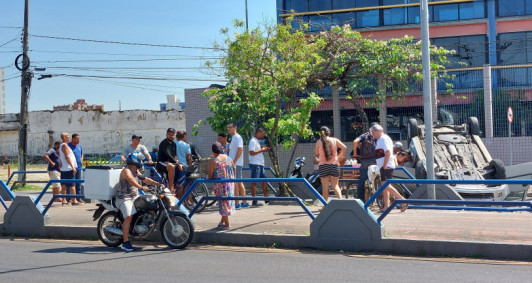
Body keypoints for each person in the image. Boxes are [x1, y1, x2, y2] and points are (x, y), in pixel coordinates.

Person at [116, 153, 159, 252]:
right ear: (135, 161)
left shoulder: (136, 170)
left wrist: (157, 183)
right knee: (129, 216)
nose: (141, 162)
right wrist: (141, 187)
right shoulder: (126, 170)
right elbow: (131, 180)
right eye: (140, 160)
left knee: (150, 205)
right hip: (124, 198)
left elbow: (144, 179)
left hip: (134, 196)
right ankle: (125, 242)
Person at [370, 124, 407, 212]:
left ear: (378, 131)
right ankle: (387, 206)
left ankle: (403, 200)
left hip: (386, 166)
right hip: (384, 165)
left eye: (373, 132)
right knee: (385, 186)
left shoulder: (383, 139)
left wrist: (385, 165)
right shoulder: (381, 139)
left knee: (385, 185)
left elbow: (387, 152)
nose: (372, 135)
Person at [208, 142, 235, 230]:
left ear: (212, 150)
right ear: (222, 149)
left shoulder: (213, 161)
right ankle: (222, 221)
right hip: (230, 183)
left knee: (223, 204)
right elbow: (234, 168)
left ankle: (227, 224)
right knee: (226, 203)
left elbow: (210, 176)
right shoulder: (228, 158)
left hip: (220, 185)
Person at [315, 126, 346, 202]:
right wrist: (339, 156)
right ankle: (341, 202)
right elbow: (344, 147)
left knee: (325, 187)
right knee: (335, 185)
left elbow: (317, 153)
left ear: (320, 133)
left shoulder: (319, 142)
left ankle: (325, 206)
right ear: (329, 133)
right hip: (334, 165)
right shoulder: (334, 140)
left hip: (323, 166)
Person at [352, 123, 378, 201]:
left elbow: (355, 141)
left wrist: (355, 154)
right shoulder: (377, 136)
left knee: (362, 179)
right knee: (377, 178)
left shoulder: (364, 135)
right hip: (374, 160)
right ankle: (377, 198)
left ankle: (360, 199)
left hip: (364, 160)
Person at [227, 122, 248, 209]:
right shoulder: (234, 138)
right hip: (236, 163)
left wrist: (234, 162)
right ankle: (244, 202)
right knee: (239, 182)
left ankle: (237, 203)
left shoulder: (237, 137)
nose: (228, 129)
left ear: (235, 127)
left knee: (236, 182)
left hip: (236, 164)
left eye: (230, 127)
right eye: (227, 127)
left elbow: (240, 149)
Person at [248, 128, 270, 206]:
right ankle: (254, 200)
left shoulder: (256, 141)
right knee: (254, 182)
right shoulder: (253, 141)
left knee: (264, 180)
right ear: (259, 132)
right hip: (255, 164)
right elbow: (251, 152)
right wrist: (262, 150)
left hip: (260, 164)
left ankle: (266, 198)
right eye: (263, 133)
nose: (263, 135)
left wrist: (262, 150)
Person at [156, 128, 181, 193]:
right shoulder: (164, 143)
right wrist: (176, 162)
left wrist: (177, 162)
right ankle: (171, 187)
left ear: (174, 135)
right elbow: (168, 154)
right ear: (166, 134)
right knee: (171, 166)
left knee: (182, 168)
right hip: (161, 163)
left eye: (172, 135)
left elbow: (174, 155)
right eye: (169, 134)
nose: (171, 136)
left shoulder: (174, 144)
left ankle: (177, 186)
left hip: (169, 163)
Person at [59, 132, 80, 205]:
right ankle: (74, 200)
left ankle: (64, 200)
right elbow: (67, 157)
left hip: (64, 168)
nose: (69, 137)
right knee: (72, 185)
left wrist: (60, 161)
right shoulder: (64, 145)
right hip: (68, 168)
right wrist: (73, 167)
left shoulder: (63, 145)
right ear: (64, 137)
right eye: (67, 136)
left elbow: (58, 153)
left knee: (64, 184)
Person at [68, 133, 84, 204]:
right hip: (71, 168)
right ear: (73, 139)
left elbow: (82, 153)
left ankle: (78, 198)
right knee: (71, 183)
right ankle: (70, 198)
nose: (78, 140)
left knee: (78, 183)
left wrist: (81, 159)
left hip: (79, 167)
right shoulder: (68, 146)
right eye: (77, 139)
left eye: (79, 139)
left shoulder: (79, 145)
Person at [175, 130, 192, 199]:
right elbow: (188, 157)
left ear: (176, 136)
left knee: (173, 184)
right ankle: (180, 202)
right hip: (183, 166)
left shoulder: (172, 143)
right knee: (180, 184)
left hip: (173, 165)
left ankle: (173, 201)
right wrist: (189, 165)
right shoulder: (186, 145)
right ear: (183, 137)